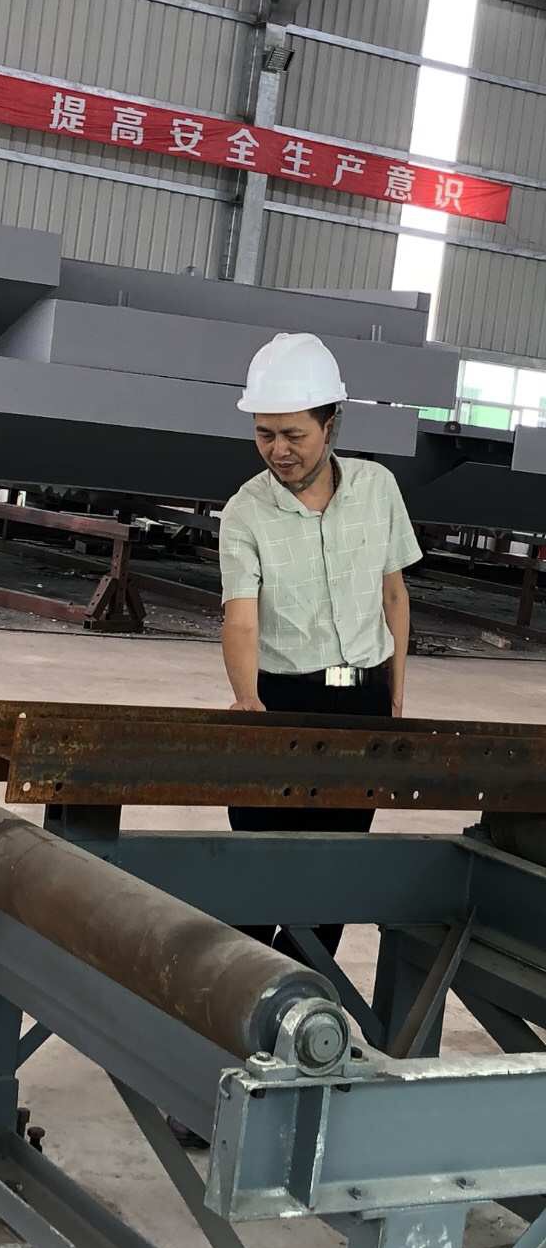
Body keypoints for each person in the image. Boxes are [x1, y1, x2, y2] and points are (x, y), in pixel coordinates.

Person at [219, 331, 422, 958]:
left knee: (334, 870)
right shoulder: (245, 511)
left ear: (330, 424)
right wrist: (247, 700)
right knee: (257, 869)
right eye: (264, 434)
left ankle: (302, 997)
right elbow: (241, 618)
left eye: (293, 435)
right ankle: (239, 993)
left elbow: (394, 596)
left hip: (362, 701)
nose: (278, 451)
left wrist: (394, 693)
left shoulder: (378, 487)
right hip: (281, 699)